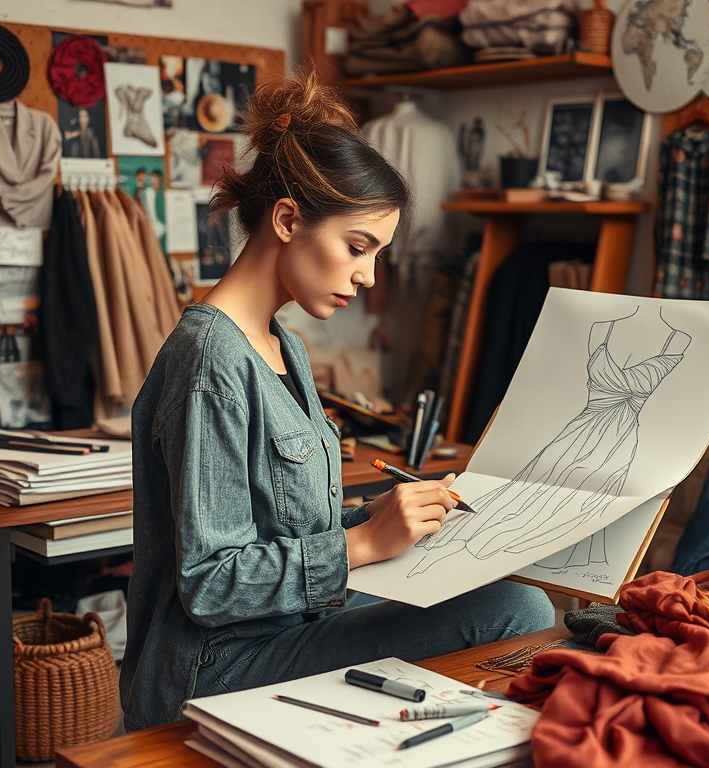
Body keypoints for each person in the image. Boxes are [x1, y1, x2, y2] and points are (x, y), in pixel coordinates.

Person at [119, 69, 555, 732]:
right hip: (215, 661)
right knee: (512, 615)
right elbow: (210, 583)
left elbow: (281, 523)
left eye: (377, 253)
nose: (368, 275)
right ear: (289, 219)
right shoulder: (210, 358)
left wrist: (382, 515)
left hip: (289, 621)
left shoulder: (281, 346)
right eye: (358, 247)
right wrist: (365, 544)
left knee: (517, 602)